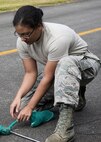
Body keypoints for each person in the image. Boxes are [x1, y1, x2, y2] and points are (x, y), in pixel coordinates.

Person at [9, 5, 100, 142]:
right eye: (19, 34)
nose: (23, 39)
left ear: (39, 26)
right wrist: (18, 97)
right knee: (21, 109)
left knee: (65, 63)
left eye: (26, 34)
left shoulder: (58, 37)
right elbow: (30, 73)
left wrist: (30, 106)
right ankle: (76, 96)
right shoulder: (22, 41)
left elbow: (48, 77)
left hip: (85, 66)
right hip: (59, 72)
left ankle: (65, 131)